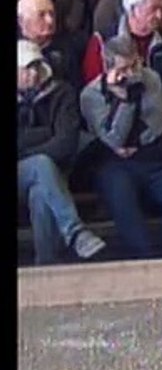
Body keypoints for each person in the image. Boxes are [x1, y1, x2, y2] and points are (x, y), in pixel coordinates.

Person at [79, 35, 162, 258]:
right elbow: (113, 138)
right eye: (125, 68)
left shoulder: (151, 79)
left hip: (151, 155)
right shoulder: (91, 95)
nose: (133, 74)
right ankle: (143, 255)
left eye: (136, 65)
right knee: (119, 188)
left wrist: (130, 140)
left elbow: (156, 123)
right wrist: (125, 100)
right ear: (109, 67)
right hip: (114, 164)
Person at [19, 39, 109, 264]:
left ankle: (47, 266)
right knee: (40, 164)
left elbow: (66, 144)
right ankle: (76, 231)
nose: (31, 74)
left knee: (40, 192)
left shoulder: (62, 93)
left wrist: (26, 145)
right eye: (24, 69)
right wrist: (44, 134)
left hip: (54, 173)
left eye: (35, 66)